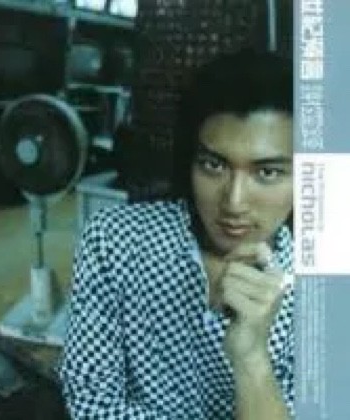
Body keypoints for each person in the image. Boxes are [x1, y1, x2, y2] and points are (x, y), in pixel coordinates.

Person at [59, 50, 294, 420]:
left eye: (267, 173)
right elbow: (90, 402)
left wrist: (252, 358)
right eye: (213, 165)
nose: (234, 202)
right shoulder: (113, 240)